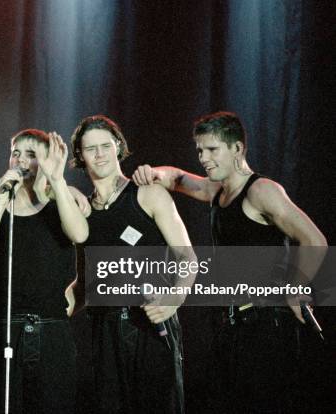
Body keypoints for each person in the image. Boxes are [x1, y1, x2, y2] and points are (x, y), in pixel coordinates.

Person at [132, 111, 327, 413]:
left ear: (237, 149)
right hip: (233, 325)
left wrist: (296, 286)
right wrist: (150, 171)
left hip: (266, 325)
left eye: (212, 150)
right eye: (199, 150)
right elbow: (177, 179)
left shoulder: (262, 191)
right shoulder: (217, 190)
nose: (203, 158)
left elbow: (315, 240)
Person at [67, 115, 196, 414]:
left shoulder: (148, 194)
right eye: (90, 149)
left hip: (151, 327)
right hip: (104, 331)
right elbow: (84, 284)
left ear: (118, 147)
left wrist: (175, 298)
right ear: (80, 157)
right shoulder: (81, 213)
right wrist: (47, 313)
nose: (99, 154)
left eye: (105, 146)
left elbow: (188, 258)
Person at [0, 129, 88, 413]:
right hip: (3, 327)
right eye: (15, 153)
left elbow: (80, 234)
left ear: (45, 162)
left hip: (50, 328)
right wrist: (0, 202)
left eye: (31, 155)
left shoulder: (60, 205)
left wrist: (58, 182)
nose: (20, 160)